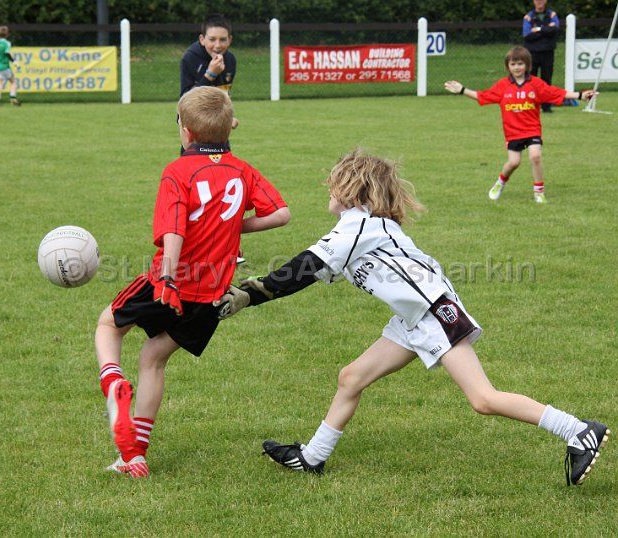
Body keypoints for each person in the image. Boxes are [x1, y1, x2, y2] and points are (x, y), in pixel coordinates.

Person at [216, 148, 610, 487]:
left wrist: (251, 294)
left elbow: (304, 266)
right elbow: (312, 272)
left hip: (434, 314)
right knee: (351, 378)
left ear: (352, 191)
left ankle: (579, 431)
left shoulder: (358, 225)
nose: (329, 191)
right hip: (412, 318)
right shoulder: (357, 228)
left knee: (483, 399)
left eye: (333, 184)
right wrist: (255, 294)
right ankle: (313, 457)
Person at [95, 86, 290, 478]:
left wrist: (167, 275)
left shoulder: (178, 170)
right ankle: (134, 455)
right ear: (230, 127)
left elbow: (174, 229)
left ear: (185, 130)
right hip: (212, 294)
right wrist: (232, 226)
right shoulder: (243, 170)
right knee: (153, 358)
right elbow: (281, 214)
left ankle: (113, 383)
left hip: (172, 281)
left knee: (108, 325)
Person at [444, 46, 596, 204]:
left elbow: (555, 92)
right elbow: (483, 96)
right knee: (514, 162)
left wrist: (580, 95)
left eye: (520, 64)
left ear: (528, 65)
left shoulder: (535, 84)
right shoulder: (503, 85)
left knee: (535, 156)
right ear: (508, 67)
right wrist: (462, 90)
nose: (517, 67)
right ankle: (500, 182)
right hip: (513, 132)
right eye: (513, 64)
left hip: (532, 129)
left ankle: (539, 192)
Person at [180, 14, 238, 129]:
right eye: (212, 39)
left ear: (229, 40)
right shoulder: (190, 58)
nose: (217, 45)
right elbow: (185, 100)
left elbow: (223, 94)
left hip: (217, 123)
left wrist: (229, 118)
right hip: (192, 123)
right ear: (202, 39)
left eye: (223, 40)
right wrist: (210, 75)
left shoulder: (230, 60)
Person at [523, 0, 559, 112]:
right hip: (532, 53)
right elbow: (527, 35)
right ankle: (530, 105)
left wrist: (538, 29)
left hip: (547, 52)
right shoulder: (528, 17)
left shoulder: (552, 15)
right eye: (537, 0)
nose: (539, 2)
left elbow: (555, 30)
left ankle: (546, 106)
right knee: (530, 80)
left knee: (546, 80)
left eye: (542, 0)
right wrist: (546, 31)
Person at [0, 26, 20, 107]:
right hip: (5, 67)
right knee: (13, 81)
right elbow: (7, 53)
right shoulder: (7, 43)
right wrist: (13, 61)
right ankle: (13, 98)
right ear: (7, 34)